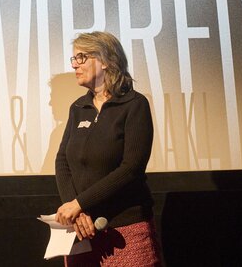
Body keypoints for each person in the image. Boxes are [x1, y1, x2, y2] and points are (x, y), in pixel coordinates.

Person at [54, 31, 161, 266]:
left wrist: (79, 204)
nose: (75, 65)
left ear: (105, 60)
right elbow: (62, 161)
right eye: (73, 59)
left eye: (81, 57)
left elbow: (131, 168)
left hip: (125, 229)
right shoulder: (78, 108)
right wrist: (76, 211)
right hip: (80, 228)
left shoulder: (134, 105)